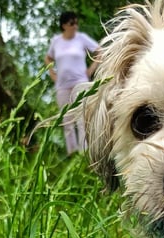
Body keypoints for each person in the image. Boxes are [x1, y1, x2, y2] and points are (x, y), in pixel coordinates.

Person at [44, 12, 99, 155]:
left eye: (76, 23)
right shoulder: (56, 41)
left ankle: (85, 154)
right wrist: (53, 74)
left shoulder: (81, 39)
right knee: (66, 121)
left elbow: (100, 52)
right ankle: (72, 154)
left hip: (80, 83)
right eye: (71, 23)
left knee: (82, 118)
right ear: (64, 26)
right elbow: (48, 58)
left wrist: (90, 70)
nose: (75, 26)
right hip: (62, 86)